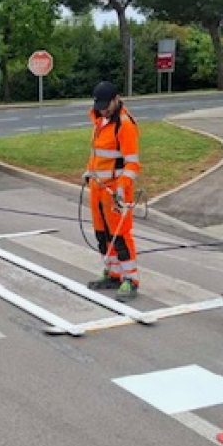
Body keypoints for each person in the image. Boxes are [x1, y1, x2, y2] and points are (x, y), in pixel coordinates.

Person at [83, 80, 142, 301]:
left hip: (115, 192)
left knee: (120, 236)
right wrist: (89, 172)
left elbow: (132, 164)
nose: (103, 109)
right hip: (98, 190)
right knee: (103, 235)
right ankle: (114, 274)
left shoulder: (124, 125)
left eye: (106, 105)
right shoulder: (100, 121)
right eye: (99, 105)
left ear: (116, 99)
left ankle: (130, 279)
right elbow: (98, 155)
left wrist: (121, 188)